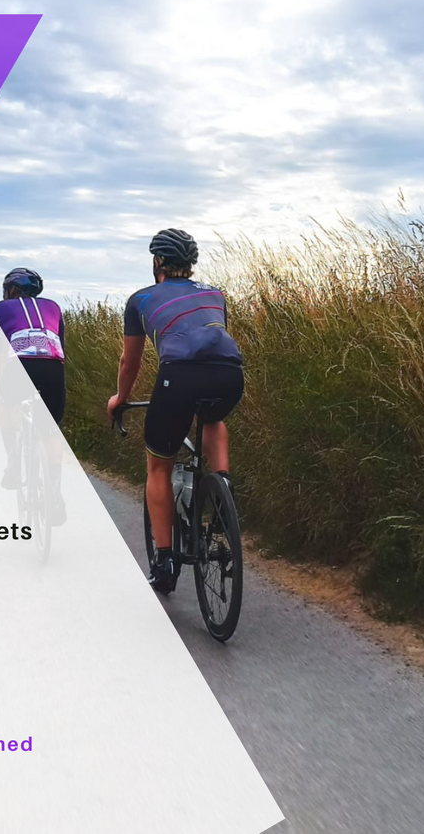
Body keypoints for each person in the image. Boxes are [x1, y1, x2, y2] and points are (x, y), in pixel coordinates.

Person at [107, 229, 243, 593]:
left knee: (158, 465)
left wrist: (120, 398)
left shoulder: (141, 299)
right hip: (230, 375)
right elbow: (214, 341)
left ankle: (165, 560)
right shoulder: (214, 294)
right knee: (213, 417)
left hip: (179, 377)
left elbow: (129, 362)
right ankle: (223, 485)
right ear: (191, 264)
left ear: (157, 263)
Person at [0, 267, 67, 524]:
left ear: (9, 290)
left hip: (18, 366)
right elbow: (59, 348)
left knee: (4, 401)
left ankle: (13, 463)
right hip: (53, 368)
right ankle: (54, 492)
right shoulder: (53, 307)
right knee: (50, 432)